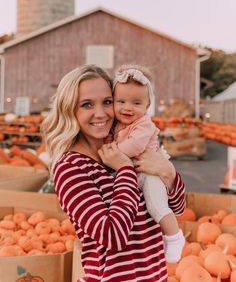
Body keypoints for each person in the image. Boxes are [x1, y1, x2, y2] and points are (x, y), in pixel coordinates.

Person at [41, 65, 186, 282]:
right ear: (70, 109)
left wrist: (168, 173)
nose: (100, 113)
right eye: (87, 104)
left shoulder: (124, 146)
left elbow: (178, 208)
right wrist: (125, 168)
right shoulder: (71, 168)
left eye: (107, 102)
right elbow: (113, 236)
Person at [111, 64, 185, 263]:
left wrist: (112, 156)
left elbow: (135, 146)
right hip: (134, 171)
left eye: (136, 103)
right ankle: (163, 237)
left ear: (147, 106)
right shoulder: (115, 123)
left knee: (156, 204)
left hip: (150, 172)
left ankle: (175, 236)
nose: (128, 107)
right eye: (121, 101)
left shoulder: (143, 123)